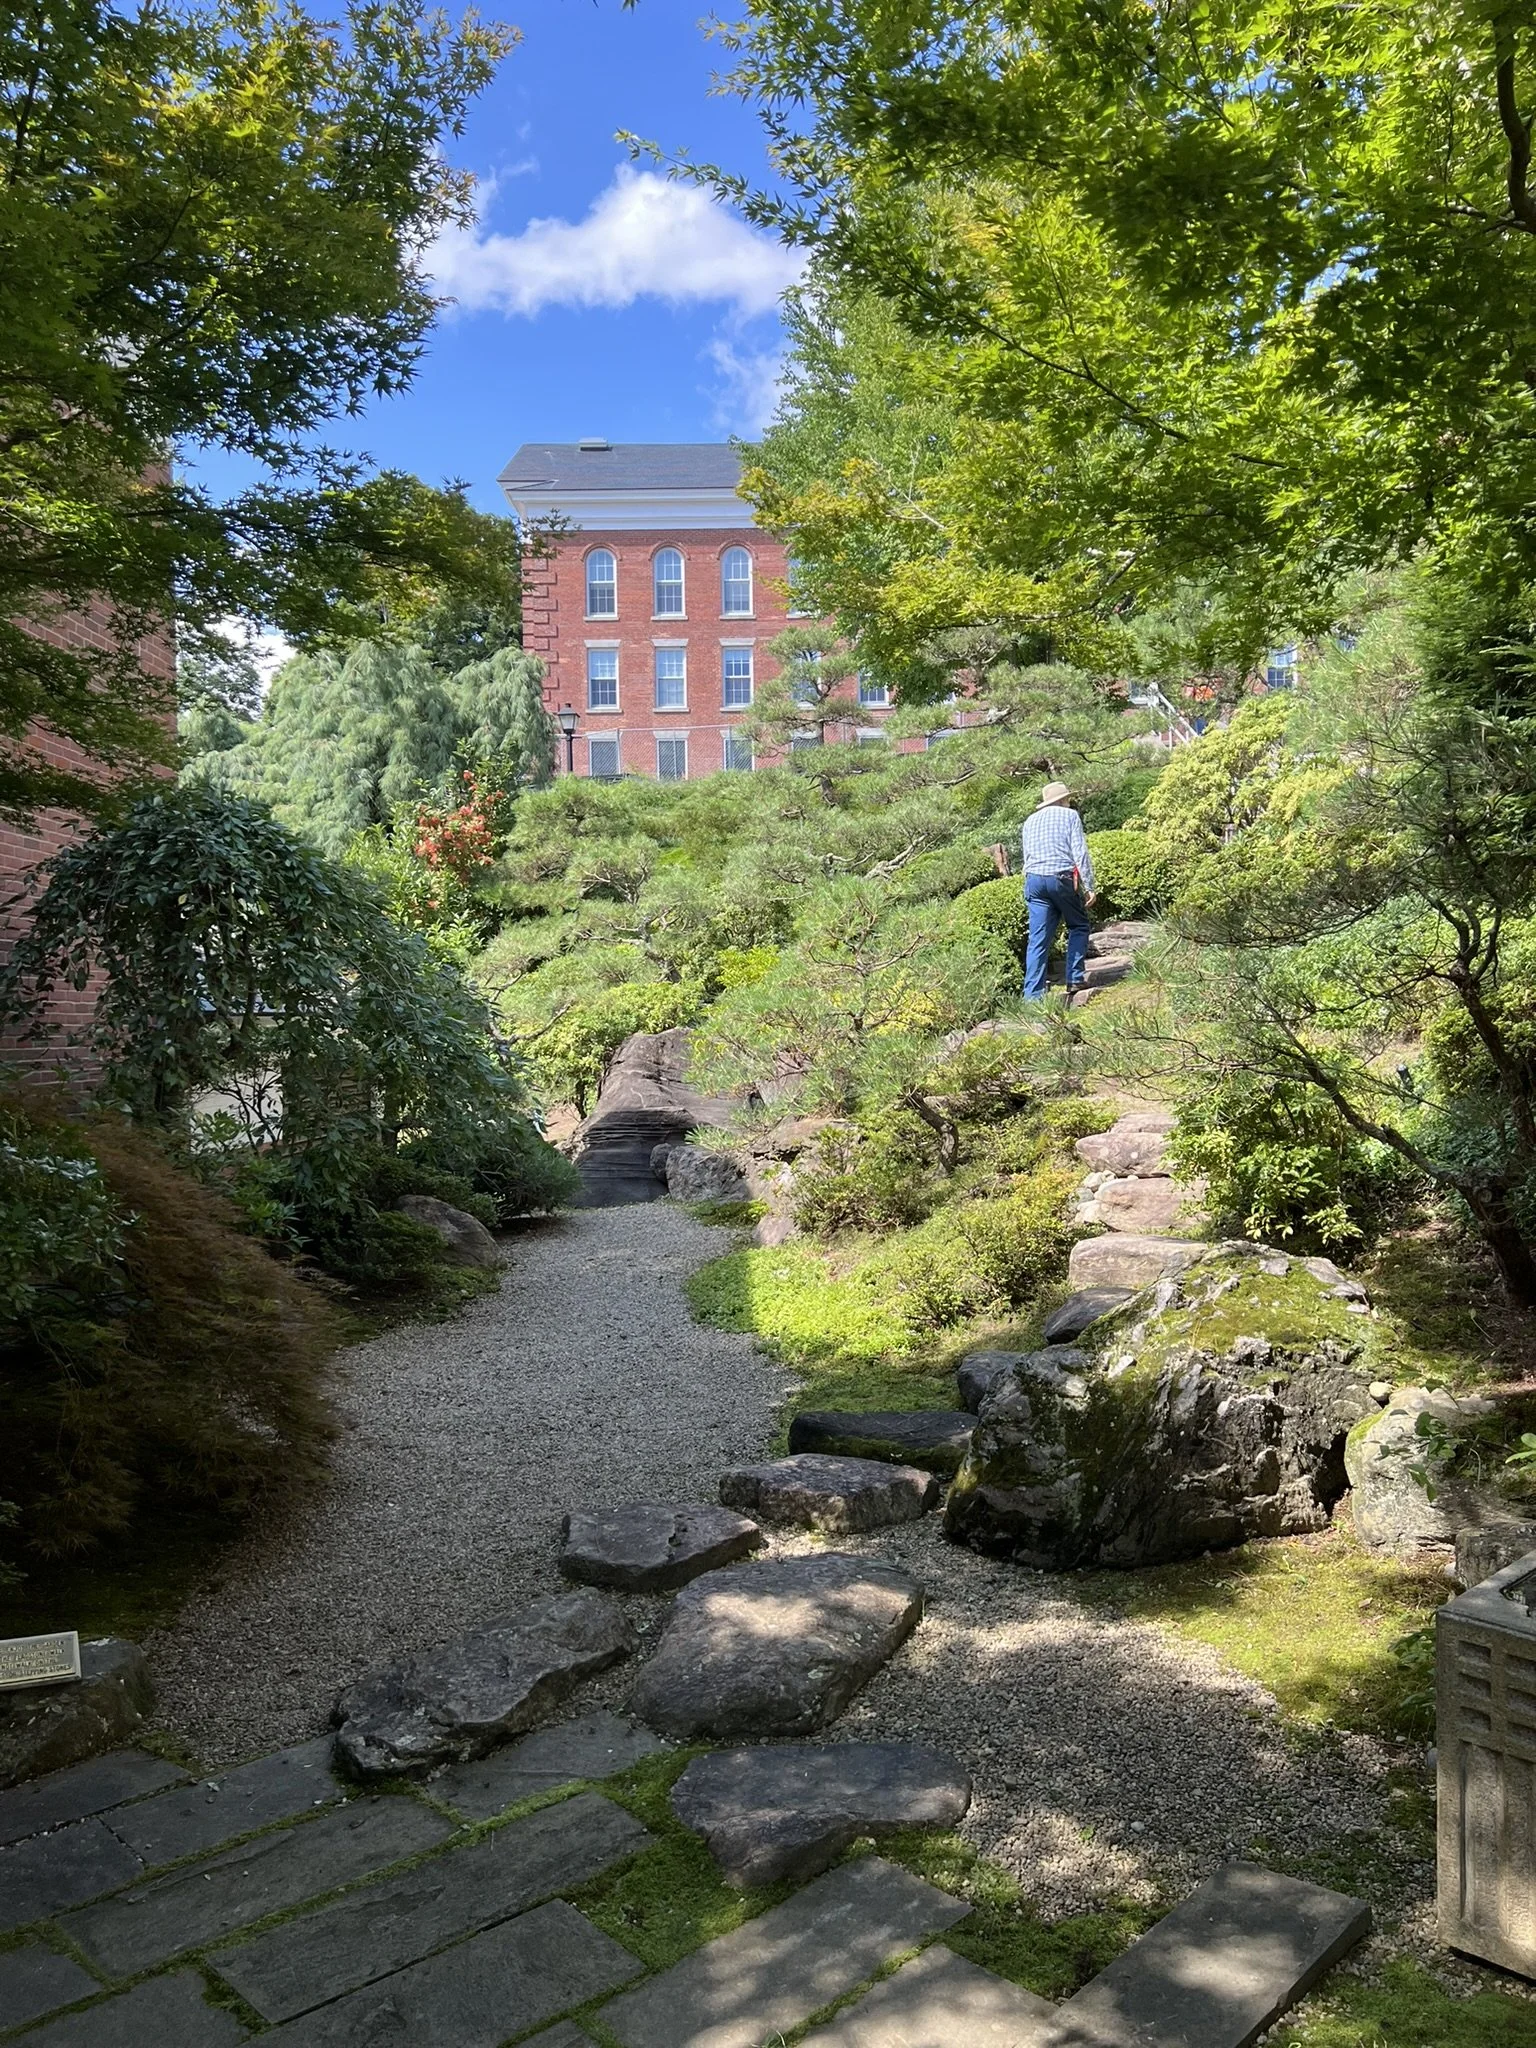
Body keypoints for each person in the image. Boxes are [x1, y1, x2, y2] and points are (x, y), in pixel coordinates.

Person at [1018, 781, 1095, 1000]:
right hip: (1061, 878)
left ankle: (1032, 996)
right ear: (1062, 800)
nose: (1069, 802)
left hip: (1034, 880)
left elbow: (1026, 856)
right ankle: (1075, 977)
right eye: (1068, 798)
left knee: (1038, 939)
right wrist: (1089, 886)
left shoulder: (1030, 821)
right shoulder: (1070, 816)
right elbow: (1080, 852)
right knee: (1078, 925)